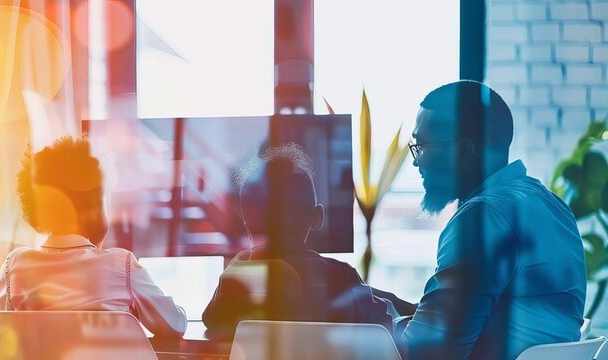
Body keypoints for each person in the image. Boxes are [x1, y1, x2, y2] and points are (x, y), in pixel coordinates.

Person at [397, 80, 585, 359]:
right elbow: (496, 318)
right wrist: (400, 308)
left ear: (464, 151)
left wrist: (371, 320)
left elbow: (429, 352)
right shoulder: (550, 204)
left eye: (422, 145)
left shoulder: (483, 216)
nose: (416, 161)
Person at [0, 136, 187, 337]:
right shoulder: (122, 265)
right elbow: (175, 325)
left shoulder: (14, 267)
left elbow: (2, 335)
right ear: (96, 207)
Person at [202, 143, 391, 339]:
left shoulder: (236, 274)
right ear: (318, 217)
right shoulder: (343, 276)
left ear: (246, 223)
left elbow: (211, 321)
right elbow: (383, 328)